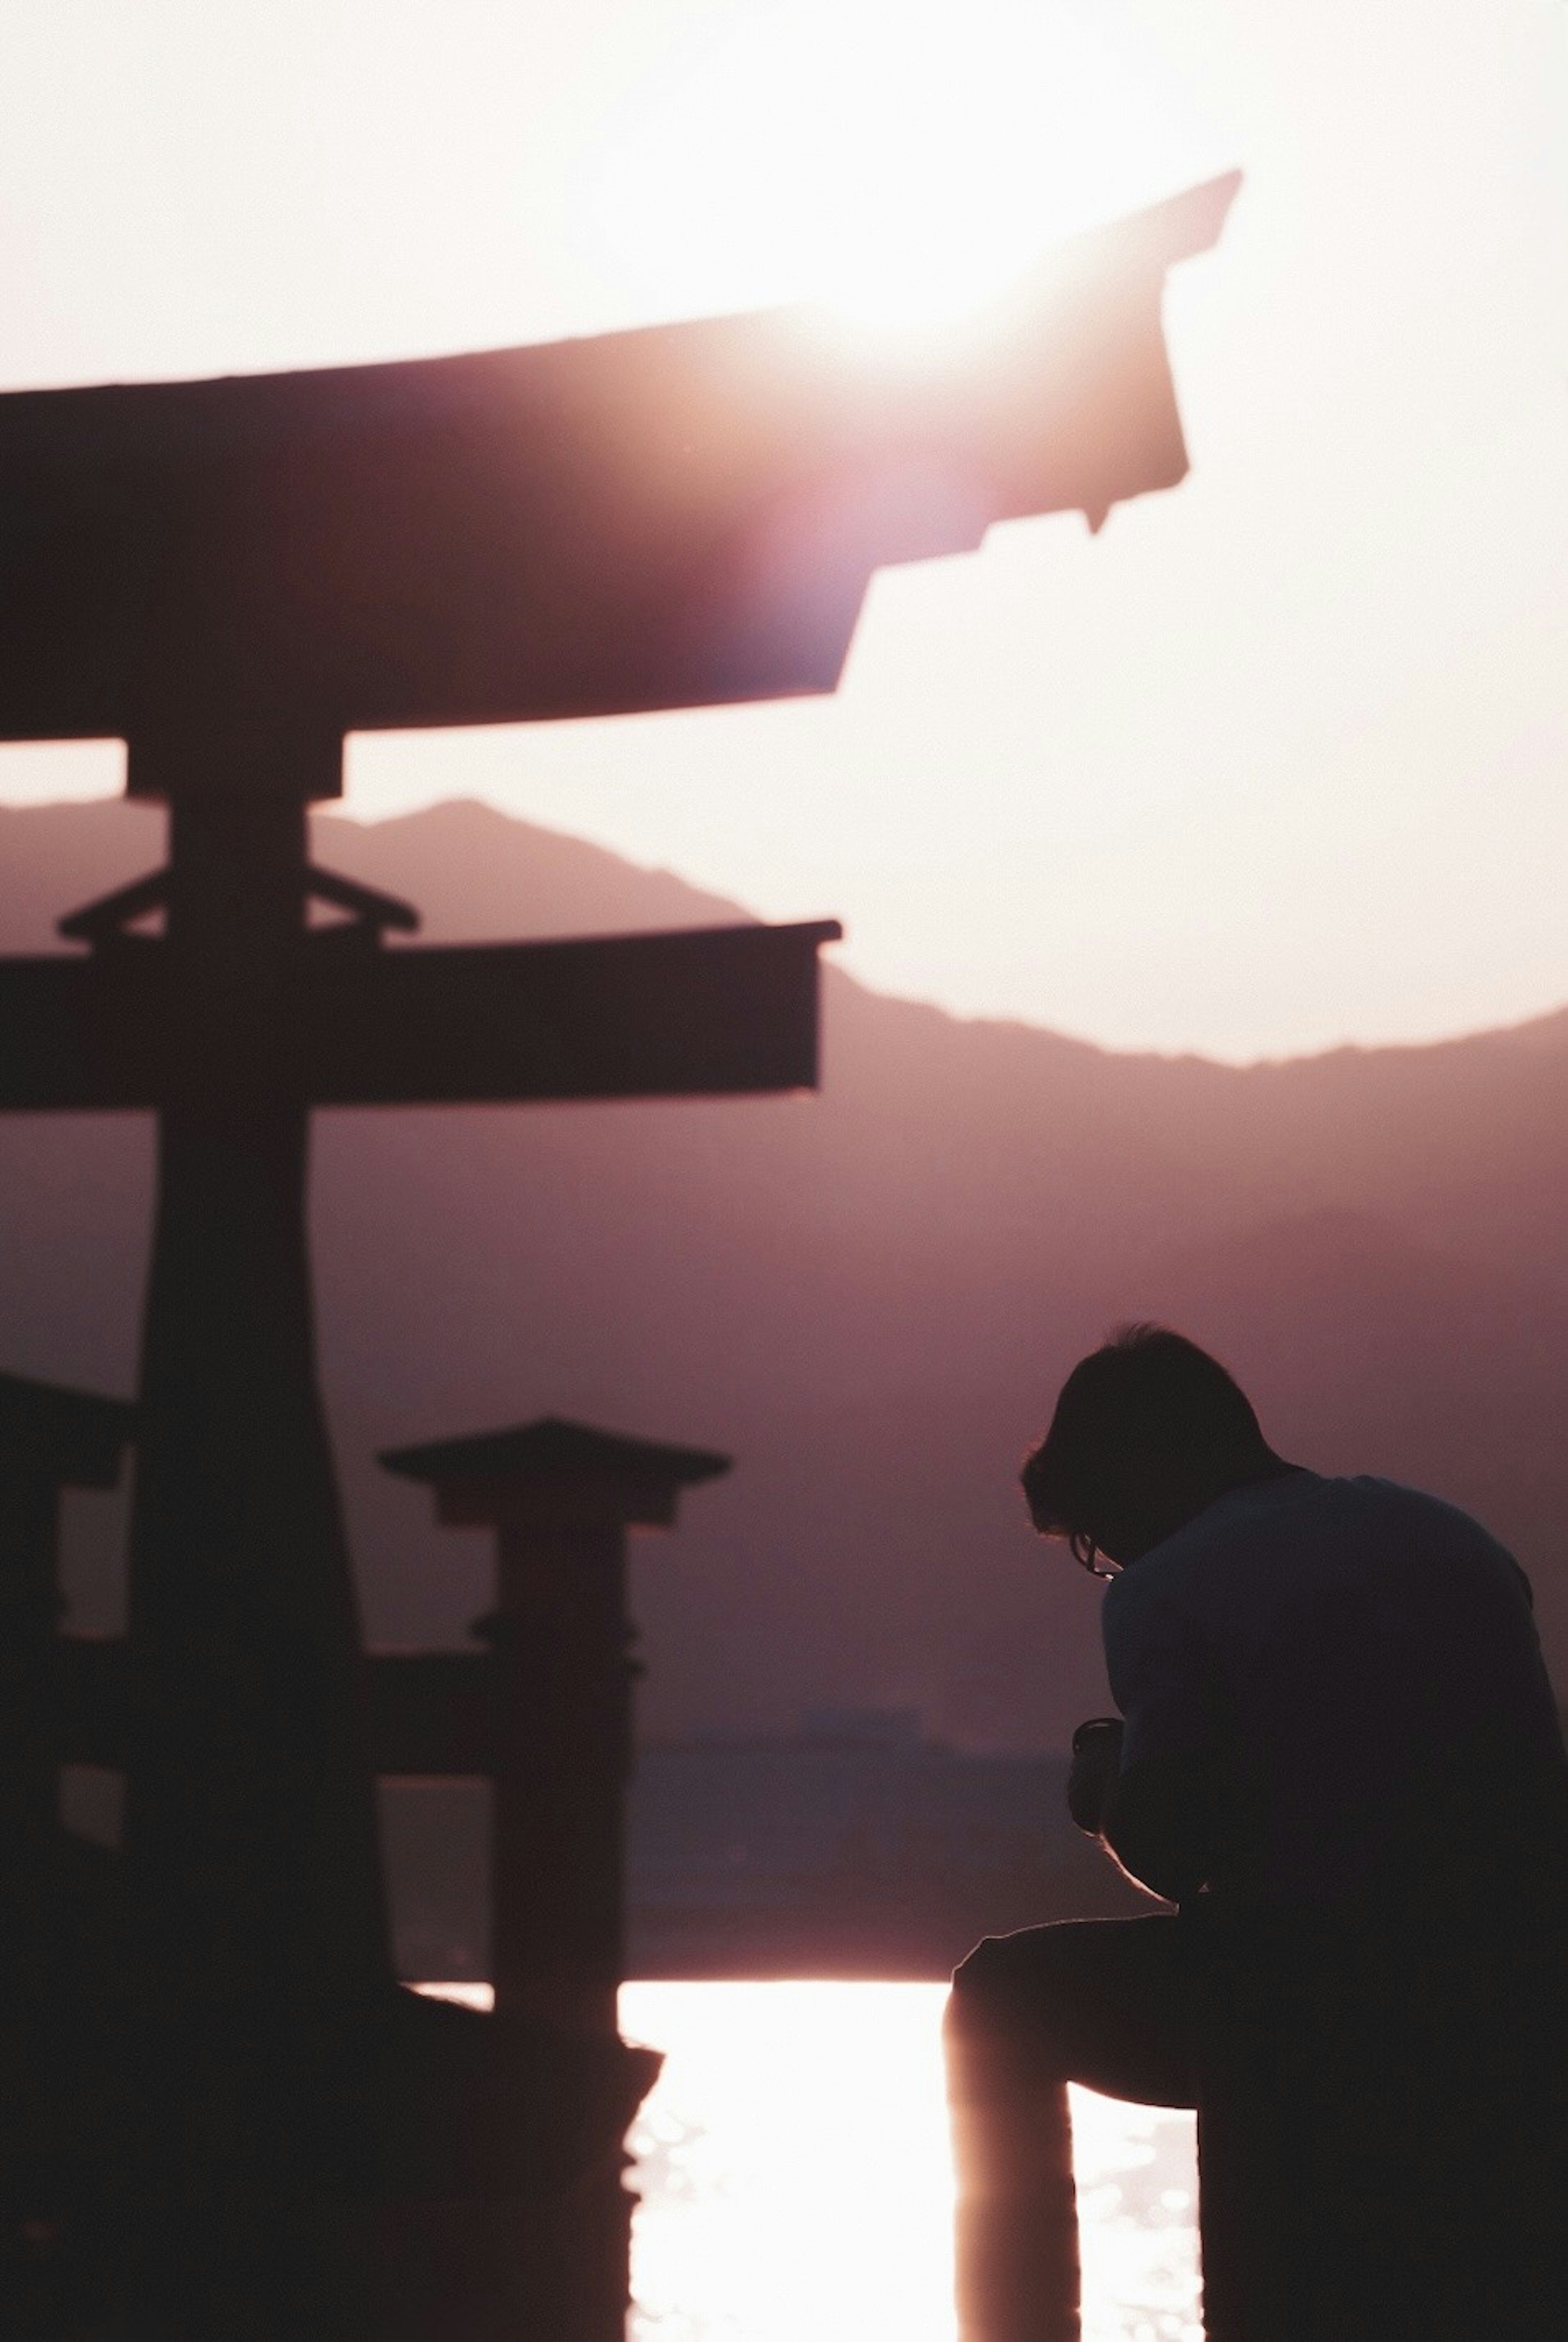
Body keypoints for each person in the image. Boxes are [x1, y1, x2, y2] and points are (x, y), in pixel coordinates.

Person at [945, 1325, 1568, 2342]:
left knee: (1000, 1997)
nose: (1114, 1560)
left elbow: (1181, 1846)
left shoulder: (1170, 1583)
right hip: (1517, 1982)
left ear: (1144, 1464)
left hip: (1304, 1997)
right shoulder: (1449, 1534)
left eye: (1100, 1532)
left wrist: (1107, 1788)